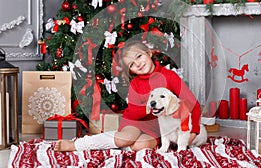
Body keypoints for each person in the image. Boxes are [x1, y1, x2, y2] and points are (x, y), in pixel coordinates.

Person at [54, 40, 201, 152]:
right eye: (131, 64)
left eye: (139, 56)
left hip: (159, 126)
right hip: (135, 121)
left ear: (149, 53)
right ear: (131, 71)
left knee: (140, 145)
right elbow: (135, 113)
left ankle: (118, 146)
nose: (138, 64)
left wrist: (194, 130)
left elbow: (192, 103)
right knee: (125, 138)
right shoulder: (136, 84)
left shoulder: (169, 76)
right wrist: (151, 105)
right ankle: (77, 144)